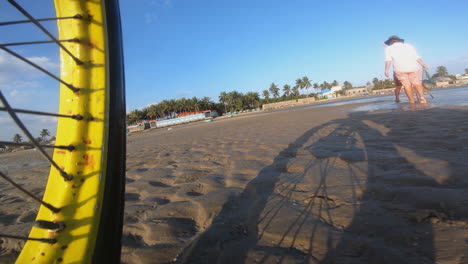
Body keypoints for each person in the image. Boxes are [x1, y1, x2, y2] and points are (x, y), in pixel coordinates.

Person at [384, 35, 429, 104]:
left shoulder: (389, 48)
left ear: (390, 42)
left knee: (406, 85)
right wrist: (423, 64)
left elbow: (388, 60)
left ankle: (411, 100)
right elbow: (416, 57)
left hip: (400, 69)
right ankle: (422, 98)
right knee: (417, 83)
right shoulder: (409, 46)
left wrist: (386, 70)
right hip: (414, 68)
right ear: (399, 40)